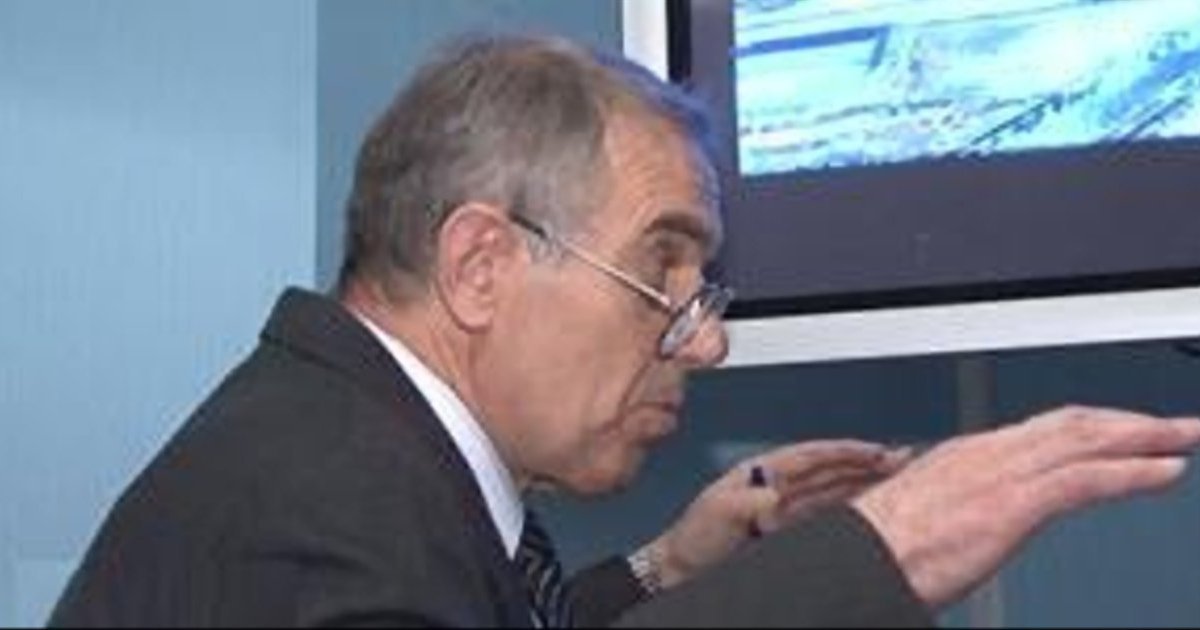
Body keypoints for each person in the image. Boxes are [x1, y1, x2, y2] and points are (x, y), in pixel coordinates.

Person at [51, 35, 1200, 628]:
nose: (705, 343)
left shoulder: (345, 439)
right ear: (481, 266)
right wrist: (880, 550)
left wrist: (667, 567)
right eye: (661, 271)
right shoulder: (328, 516)